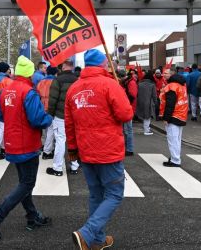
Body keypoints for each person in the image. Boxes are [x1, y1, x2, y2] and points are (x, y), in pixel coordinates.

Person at [65, 49, 134, 250]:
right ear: (103, 64)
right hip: (108, 150)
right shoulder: (110, 85)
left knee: (96, 195)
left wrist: (72, 148)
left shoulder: (74, 88)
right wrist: (120, 92)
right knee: (114, 194)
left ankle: (98, 240)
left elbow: (69, 123)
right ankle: (87, 232)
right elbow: (125, 115)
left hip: (85, 150)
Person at [0, 56, 54, 240]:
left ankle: (32, 217)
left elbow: (0, 115)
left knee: (25, 183)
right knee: (27, 183)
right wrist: (49, 118)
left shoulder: (6, 90)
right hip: (28, 143)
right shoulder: (29, 92)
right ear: (31, 73)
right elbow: (37, 119)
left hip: (12, 142)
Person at [45, 57, 80, 176]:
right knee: (74, 141)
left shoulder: (57, 80)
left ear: (64, 66)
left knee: (60, 141)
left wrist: (50, 114)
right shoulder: (78, 80)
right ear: (72, 67)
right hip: (75, 116)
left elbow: (53, 100)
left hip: (60, 115)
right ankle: (74, 166)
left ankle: (58, 168)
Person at [159, 72, 188, 167]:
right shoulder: (182, 86)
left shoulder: (171, 87)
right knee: (177, 139)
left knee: (172, 139)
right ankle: (175, 157)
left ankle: (175, 160)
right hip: (181, 115)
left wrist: (166, 118)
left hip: (173, 116)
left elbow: (170, 104)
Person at [135, 71, 157, 138]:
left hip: (140, 101)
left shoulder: (139, 84)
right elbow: (154, 95)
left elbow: (137, 93)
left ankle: (146, 128)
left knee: (144, 116)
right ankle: (146, 130)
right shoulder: (152, 85)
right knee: (147, 117)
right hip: (149, 102)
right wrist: (155, 102)